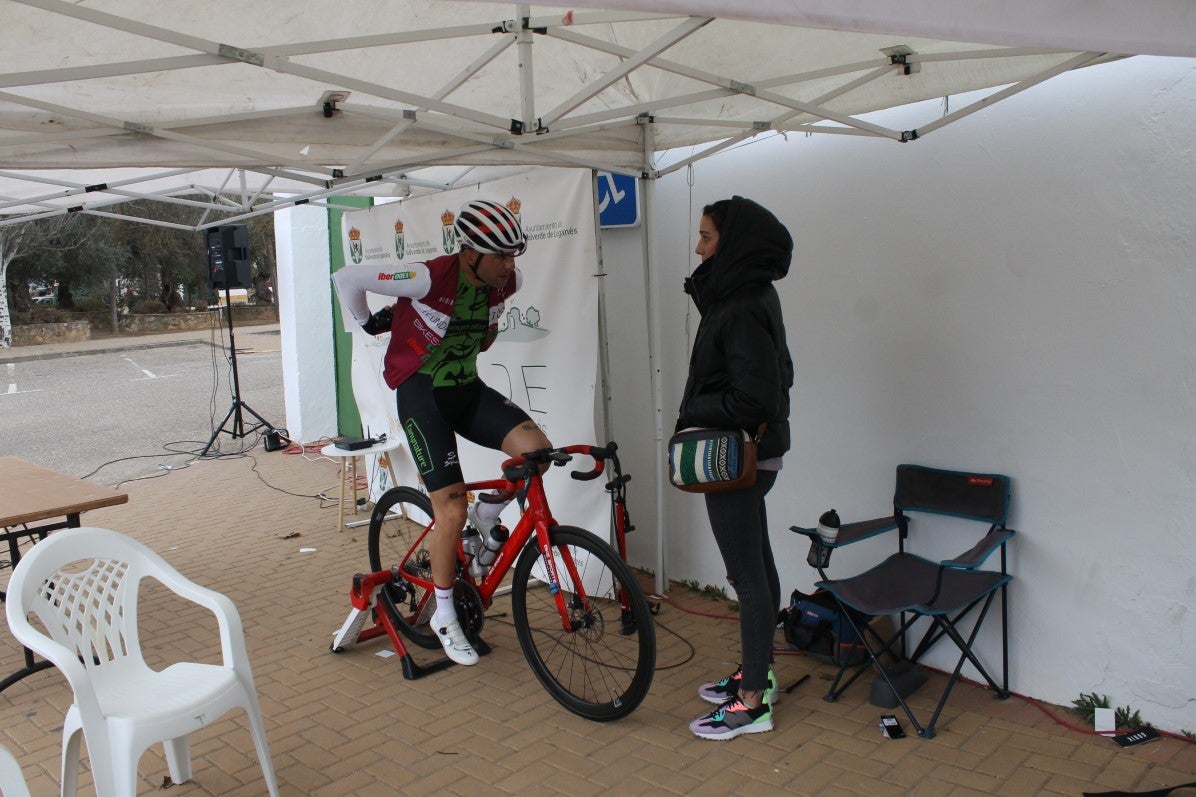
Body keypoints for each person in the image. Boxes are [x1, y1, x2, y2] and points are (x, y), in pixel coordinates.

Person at [332, 198, 551, 666]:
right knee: (450, 510)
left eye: (514, 255)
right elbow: (347, 278)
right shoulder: (427, 277)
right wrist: (368, 323)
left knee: (537, 452)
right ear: (470, 253)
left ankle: (488, 516)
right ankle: (445, 615)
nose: (510, 266)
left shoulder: (507, 281)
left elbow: (486, 329)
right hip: (422, 395)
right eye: (502, 256)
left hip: (465, 388)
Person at [677, 196, 794, 740]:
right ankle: (757, 675)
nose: (698, 247)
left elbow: (756, 399)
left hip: (734, 459)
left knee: (747, 577)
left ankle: (752, 705)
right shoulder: (746, 295)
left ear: (734, 242)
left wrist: (691, 409)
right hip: (754, 456)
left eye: (706, 236)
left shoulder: (743, 304)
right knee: (759, 567)